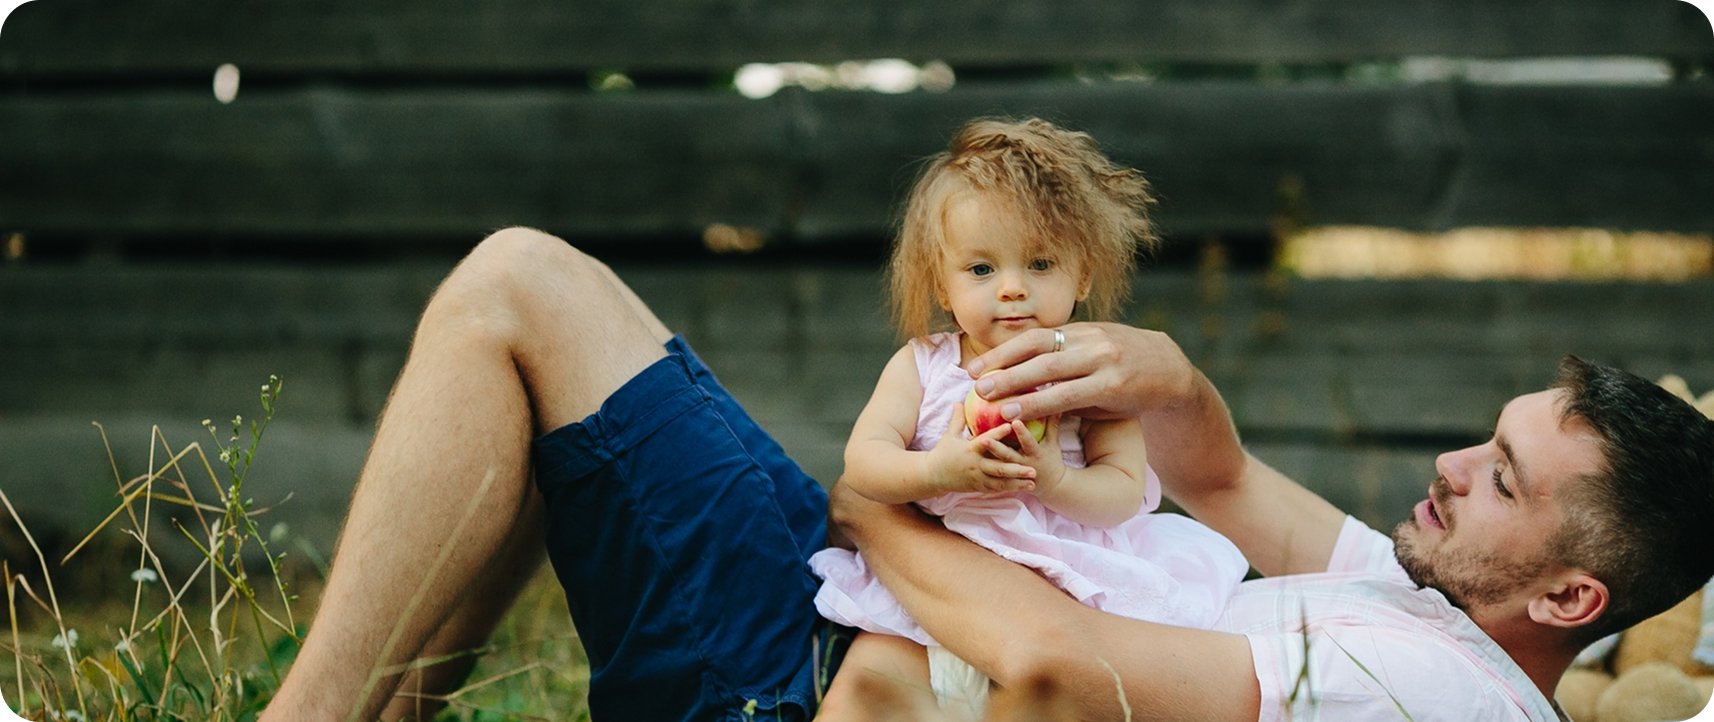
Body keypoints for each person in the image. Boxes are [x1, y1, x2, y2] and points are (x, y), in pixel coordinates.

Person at [259, 231, 1714, 722]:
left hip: (821, 680)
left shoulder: (1437, 691)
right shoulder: (1430, 607)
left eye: (1500, 475)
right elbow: (1223, 479)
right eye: (1483, 436)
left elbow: (1062, 663)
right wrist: (1163, 377)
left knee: (518, 289)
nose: (1451, 464)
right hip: (868, 617)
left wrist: (876, 494)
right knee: (544, 345)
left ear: (1570, 595)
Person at [808, 118, 1247, 721]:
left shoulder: (1091, 376)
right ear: (942, 285)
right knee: (861, 698)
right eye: (981, 270)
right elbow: (863, 464)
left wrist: (1054, 479)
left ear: (1082, 274)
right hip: (924, 599)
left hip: (1063, 598)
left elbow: (1122, 493)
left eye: (1040, 264)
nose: (1012, 288)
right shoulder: (921, 366)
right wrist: (936, 470)